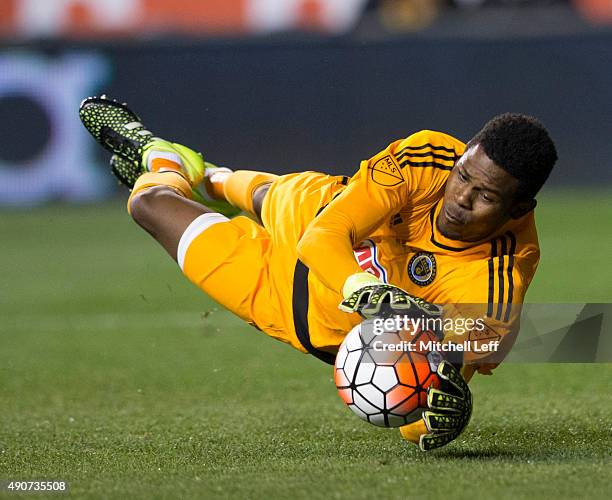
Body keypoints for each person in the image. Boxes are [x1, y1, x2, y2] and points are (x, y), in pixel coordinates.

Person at [79, 96, 557, 450]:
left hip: (291, 306)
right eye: (463, 176)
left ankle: (161, 161)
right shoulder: (429, 157)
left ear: (519, 207)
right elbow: (323, 237)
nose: (460, 198)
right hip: (312, 213)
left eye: (486, 197)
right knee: (255, 194)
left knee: (148, 204)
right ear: (462, 155)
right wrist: (370, 292)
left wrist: (440, 417)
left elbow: (417, 411)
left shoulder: (496, 285)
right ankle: (202, 173)